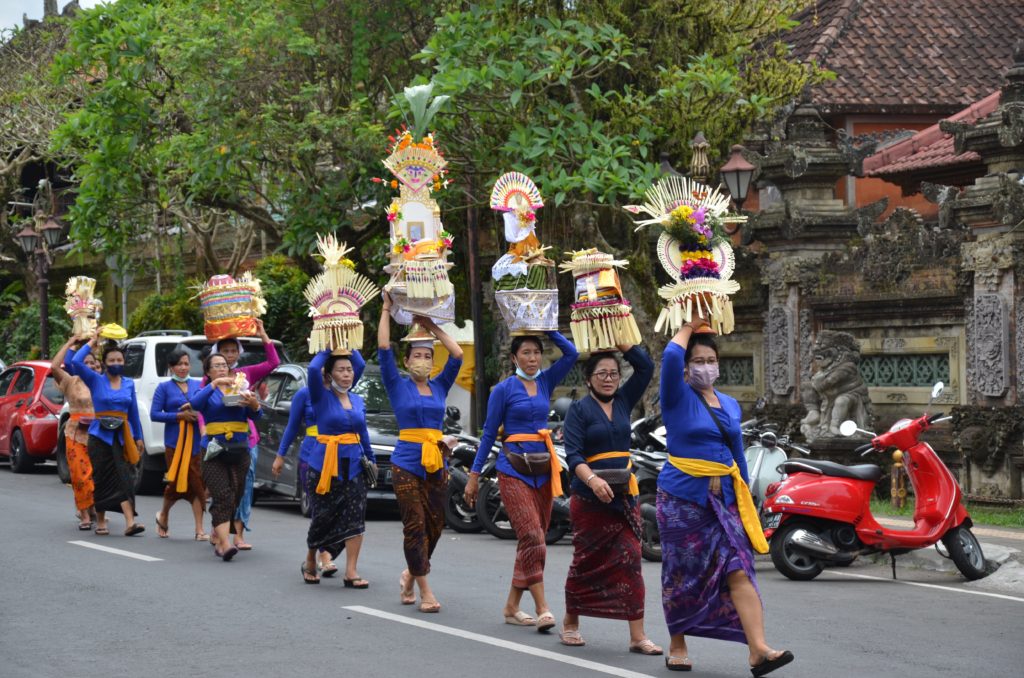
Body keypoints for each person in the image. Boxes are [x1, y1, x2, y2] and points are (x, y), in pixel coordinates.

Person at [657, 314, 793, 675]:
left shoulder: (730, 405)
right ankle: (677, 642)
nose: (706, 367)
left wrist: (747, 497)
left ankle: (758, 649)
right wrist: (689, 324)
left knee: (740, 569)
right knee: (682, 574)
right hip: (681, 501)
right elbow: (670, 358)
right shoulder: (676, 396)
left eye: (711, 361)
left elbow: (736, 453)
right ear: (687, 369)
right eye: (698, 361)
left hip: (726, 501)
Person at [464, 331, 578, 632]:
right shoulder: (503, 389)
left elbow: (572, 354)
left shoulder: (545, 381)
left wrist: (547, 329)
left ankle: (512, 606)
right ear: (514, 358)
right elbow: (489, 434)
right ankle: (542, 607)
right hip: (512, 468)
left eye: (537, 352)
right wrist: (474, 476)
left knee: (531, 539)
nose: (532, 358)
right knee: (533, 537)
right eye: (526, 353)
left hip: (542, 469)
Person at [560, 345, 661, 655]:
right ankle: (570, 623)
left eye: (613, 373)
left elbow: (644, 367)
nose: (608, 379)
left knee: (631, 559)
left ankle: (637, 635)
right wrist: (592, 479)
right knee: (586, 562)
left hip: (623, 497)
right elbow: (574, 454)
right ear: (588, 379)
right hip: (590, 499)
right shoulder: (578, 410)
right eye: (601, 374)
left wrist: (623, 345)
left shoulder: (624, 401)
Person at [378, 295, 463, 613]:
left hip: (436, 461)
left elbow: (456, 354)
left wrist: (433, 327)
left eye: (428, 356)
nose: (423, 360)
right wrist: (387, 309)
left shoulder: (440, 386)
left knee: (436, 525)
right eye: (418, 355)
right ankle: (426, 590)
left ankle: (411, 574)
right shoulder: (397, 384)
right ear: (407, 360)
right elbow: (384, 348)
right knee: (414, 525)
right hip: (405, 463)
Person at [272, 350, 367, 577]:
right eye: (338, 369)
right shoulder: (310, 394)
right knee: (322, 512)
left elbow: (359, 365)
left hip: (347, 459)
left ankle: (333, 559)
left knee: (351, 513)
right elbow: (292, 426)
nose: (346, 374)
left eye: (348, 370)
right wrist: (280, 454)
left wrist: (344, 341)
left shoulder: (349, 395)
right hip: (313, 457)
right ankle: (317, 555)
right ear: (327, 370)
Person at [208, 319, 279, 550]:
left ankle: (237, 532)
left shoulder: (245, 373)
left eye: (232, 351)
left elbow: (273, 362)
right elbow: (201, 406)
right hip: (217, 440)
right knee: (222, 487)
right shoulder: (212, 378)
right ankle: (220, 529)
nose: (228, 356)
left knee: (244, 486)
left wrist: (263, 333)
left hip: (246, 440)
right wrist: (203, 430)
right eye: (224, 351)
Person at [71, 334, 145, 537]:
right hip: (99, 436)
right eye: (112, 360)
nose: (116, 363)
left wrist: (138, 437)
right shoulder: (95, 379)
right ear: (104, 363)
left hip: (123, 436)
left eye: (119, 360)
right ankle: (101, 521)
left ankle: (131, 522)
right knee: (101, 477)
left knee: (126, 477)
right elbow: (76, 361)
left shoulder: (129, 384)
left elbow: (134, 412)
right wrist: (91, 343)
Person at [191, 353, 262, 561]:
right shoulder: (206, 391)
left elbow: (257, 416)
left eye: (224, 365)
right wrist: (214, 384)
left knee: (235, 494)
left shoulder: (240, 388)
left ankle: (218, 531)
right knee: (221, 494)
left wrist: (254, 405)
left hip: (240, 447)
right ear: (208, 371)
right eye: (217, 366)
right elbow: (195, 404)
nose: (222, 369)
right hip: (214, 449)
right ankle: (224, 543)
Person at [150, 349, 206, 540]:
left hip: (197, 443)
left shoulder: (198, 385)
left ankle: (199, 529)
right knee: (174, 483)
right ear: (171, 367)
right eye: (179, 364)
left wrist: (198, 415)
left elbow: (207, 408)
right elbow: (154, 414)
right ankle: (164, 514)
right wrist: (178, 416)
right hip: (174, 443)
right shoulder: (164, 388)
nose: (183, 367)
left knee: (198, 483)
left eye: (186, 363)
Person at [51, 335, 100, 530]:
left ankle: (94, 507)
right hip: (75, 433)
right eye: (84, 362)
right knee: (80, 475)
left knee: (96, 474)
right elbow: (55, 367)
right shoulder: (71, 381)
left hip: (98, 434)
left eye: (92, 363)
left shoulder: (100, 382)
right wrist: (70, 343)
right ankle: (85, 514)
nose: (88, 365)